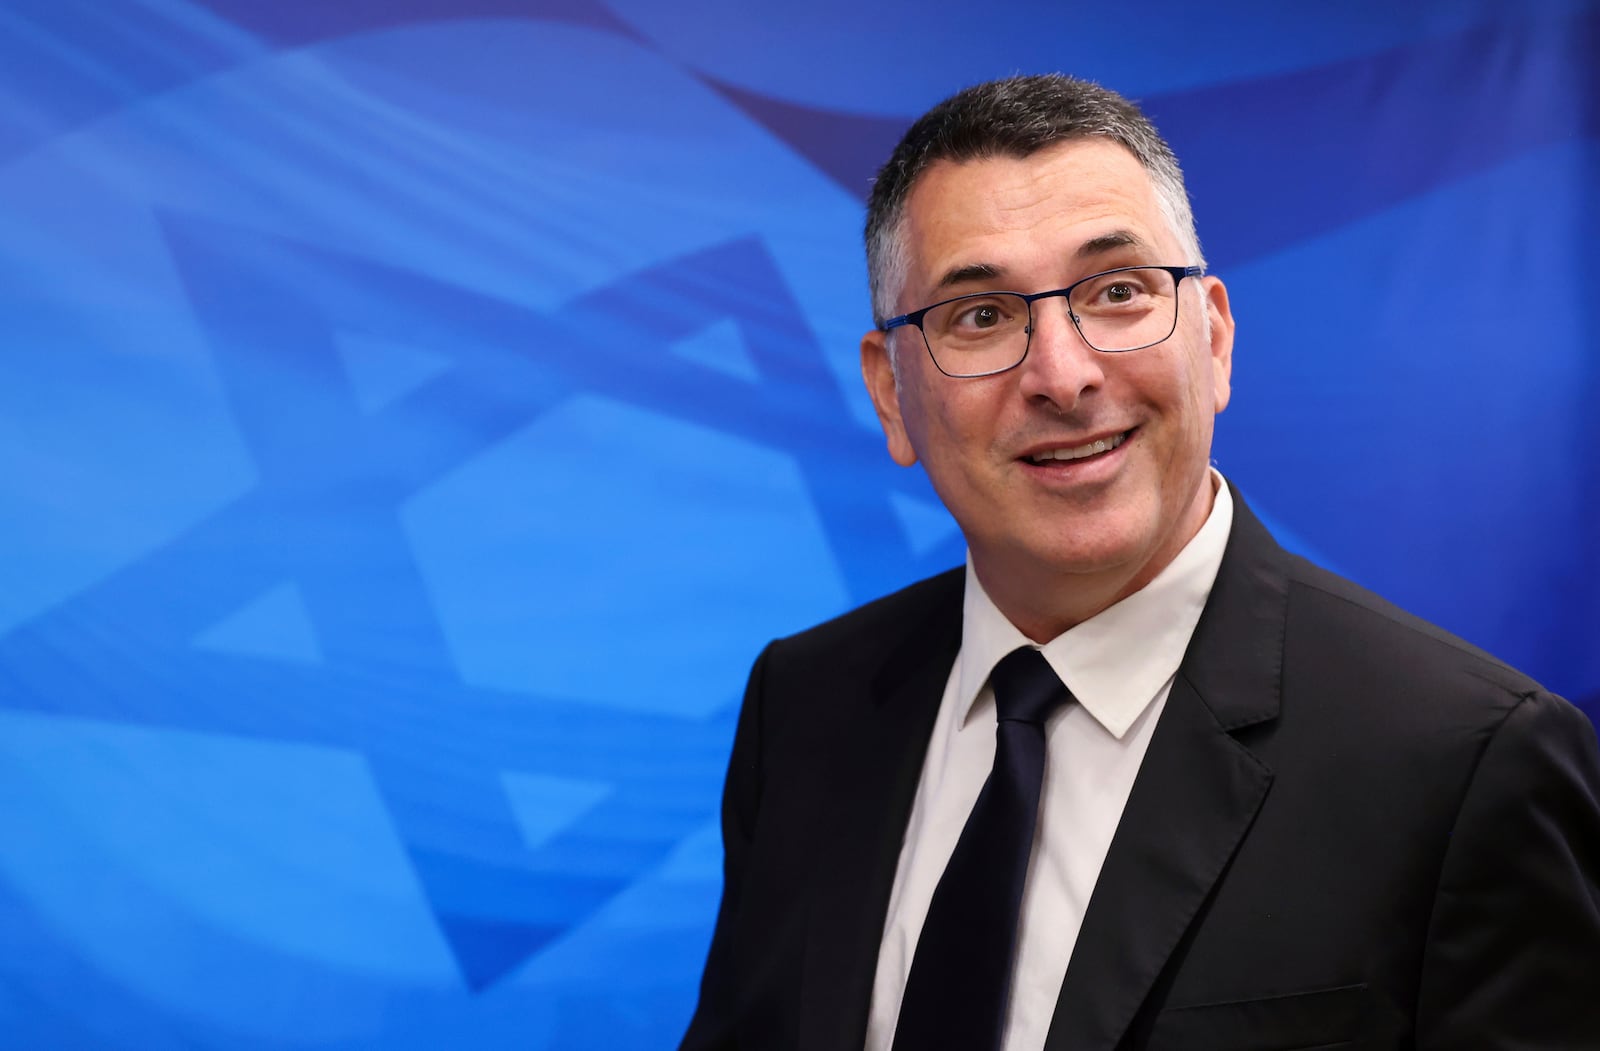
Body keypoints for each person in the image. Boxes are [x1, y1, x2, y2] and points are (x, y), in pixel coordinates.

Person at [679, 74, 1600, 1051]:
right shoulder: (806, 703)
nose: (1063, 375)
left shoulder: (1466, 763)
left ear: (1212, 337)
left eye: (1115, 293)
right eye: (980, 316)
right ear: (891, 394)